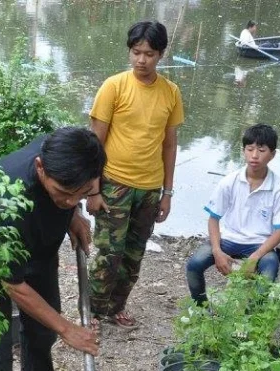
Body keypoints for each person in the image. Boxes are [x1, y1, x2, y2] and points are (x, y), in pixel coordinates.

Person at [0, 127, 104, 371]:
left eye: (81, 193)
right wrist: (68, 329)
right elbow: (13, 285)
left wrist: (72, 215)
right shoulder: (5, 199)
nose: (71, 200)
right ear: (40, 168)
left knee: (43, 328)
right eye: (64, 192)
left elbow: (74, 190)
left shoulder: (69, 152)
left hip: (39, 245)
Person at [88, 20, 184, 328]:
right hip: (114, 184)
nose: (141, 60)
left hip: (150, 189)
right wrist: (93, 190)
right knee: (108, 253)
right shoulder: (114, 87)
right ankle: (92, 311)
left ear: (161, 54)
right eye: (136, 52)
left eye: (149, 54)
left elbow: (169, 145)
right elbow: (95, 142)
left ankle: (115, 307)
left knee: (133, 254)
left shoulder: (170, 92)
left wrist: (167, 193)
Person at [185, 124, 280, 303]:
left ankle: (252, 315)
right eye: (250, 149)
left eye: (261, 150)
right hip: (228, 240)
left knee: (268, 272)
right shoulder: (229, 181)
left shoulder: (279, 188)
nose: (254, 155)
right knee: (194, 265)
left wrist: (254, 257)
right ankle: (201, 308)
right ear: (243, 151)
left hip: (258, 244)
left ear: (272, 154)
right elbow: (214, 218)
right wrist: (217, 251)